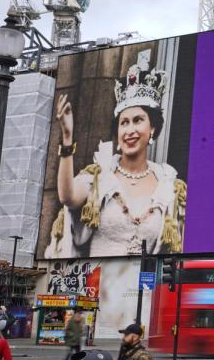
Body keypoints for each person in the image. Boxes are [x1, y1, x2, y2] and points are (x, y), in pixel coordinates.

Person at [46, 49, 186, 259]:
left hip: (143, 288)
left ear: (153, 129)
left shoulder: (169, 185)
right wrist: (67, 139)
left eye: (138, 120)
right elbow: (68, 197)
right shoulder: (99, 176)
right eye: (124, 123)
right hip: (97, 285)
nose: (129, 130)